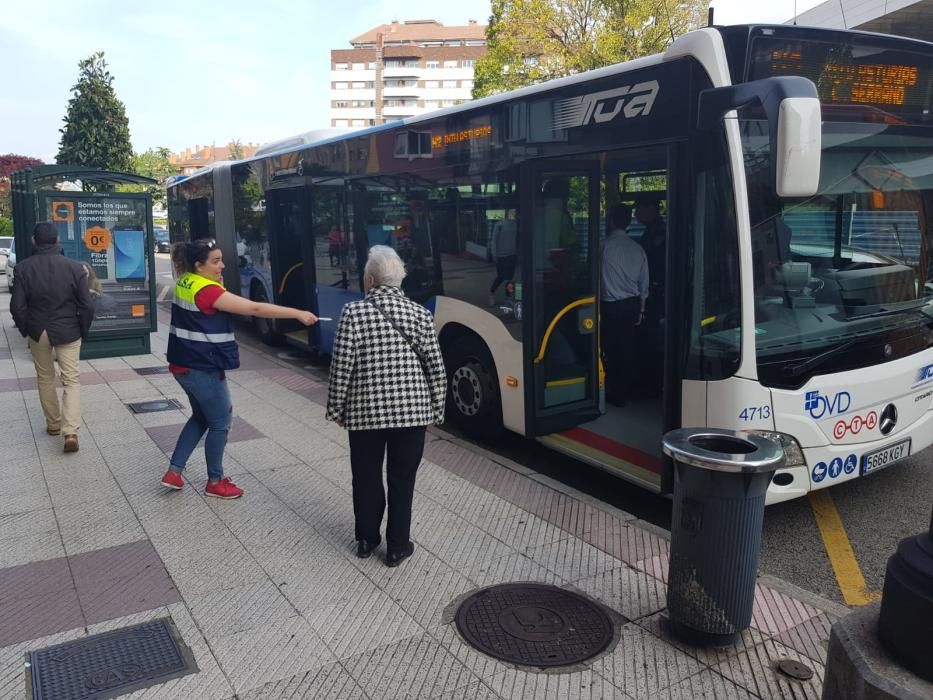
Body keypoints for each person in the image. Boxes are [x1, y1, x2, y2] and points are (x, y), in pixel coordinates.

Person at [160, 239, 317, 499]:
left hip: (183, 364)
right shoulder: (207, 291)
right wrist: (297, 313)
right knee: (221, 423)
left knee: (201, 417)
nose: (222, 265)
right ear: (199, 266)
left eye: (221, 260)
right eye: (215, 261)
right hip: (202, 367)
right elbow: (255, 308)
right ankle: (215, 481)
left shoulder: (187, 281)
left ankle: (174, 472)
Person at [326, 245, 446, 567]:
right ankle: (397, 547)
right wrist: (436, 409)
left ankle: (366, 539)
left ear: (369, 280)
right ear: (400, 279)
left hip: (365, 412)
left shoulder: (353, 313)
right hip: (412, 413)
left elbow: (341, 367)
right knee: (402, 478)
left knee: (365, 475)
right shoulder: (421, 314)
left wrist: (336, 410)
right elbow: (435, 367)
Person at [10, 222, 94, 452]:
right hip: (68, 330)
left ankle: (53, 424)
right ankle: (70, 432)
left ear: (34, 242)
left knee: (45, 377)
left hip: (39, 330)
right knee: (71, 380)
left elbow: (17, 307)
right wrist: (82, 330)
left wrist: (26, 329)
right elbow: (87, 306)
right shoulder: (75, 268)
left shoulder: (23, 268)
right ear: (58, 240)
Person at [600, 204, 649, 406]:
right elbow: (644, 283)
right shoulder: (637, 248)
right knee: (628, 347)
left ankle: (614, 391)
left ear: (611, 221)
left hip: (610, 306)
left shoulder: (603, 247)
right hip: (632, 304)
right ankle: (627, 389)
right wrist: (642, 308)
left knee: (610, 348)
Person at [488, 209, 517, 307]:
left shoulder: (515, 225)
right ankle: (492, 293)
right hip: (501, 255)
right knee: (501, 276)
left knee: (509, 278)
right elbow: (494, 240)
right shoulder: (499, 225)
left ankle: (509, 298)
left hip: (511, 254)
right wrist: (494, 254)